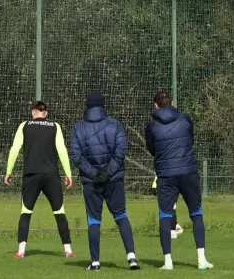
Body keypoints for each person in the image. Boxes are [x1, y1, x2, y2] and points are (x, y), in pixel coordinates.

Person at [69, 91, 140, 271]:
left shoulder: (78, 127)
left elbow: (76, 156)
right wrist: (107, 173)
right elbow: (120, 152)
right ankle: (132, 258)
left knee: (94, 220)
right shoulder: (115, 125)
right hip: (114, 180)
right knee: (121, 216)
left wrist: (94, 174)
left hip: (91, 182)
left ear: (87, 105)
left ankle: (95, 262)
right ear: (102, 105)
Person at [145, 91, 211, 271]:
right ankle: (202, 260)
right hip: (188, 172)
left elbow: (152, 149)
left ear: (155, 105)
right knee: (196, 214)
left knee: (165, 216)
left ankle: (168, 262)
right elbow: (190, 140)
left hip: (165, 175)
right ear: (172, 102)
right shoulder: (185, 119)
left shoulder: (151, 125)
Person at [4, 100, 75, 259]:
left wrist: (9, 171)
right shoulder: (55, 126)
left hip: (31, 175)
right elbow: (62, 150)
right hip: (51, 175)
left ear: (32, 112)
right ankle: (68, 250)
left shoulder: (24, 126)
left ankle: (21, 251)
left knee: (26, 212)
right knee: (59, 212)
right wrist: (68, 174)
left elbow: (14, 149)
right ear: (46, 113)